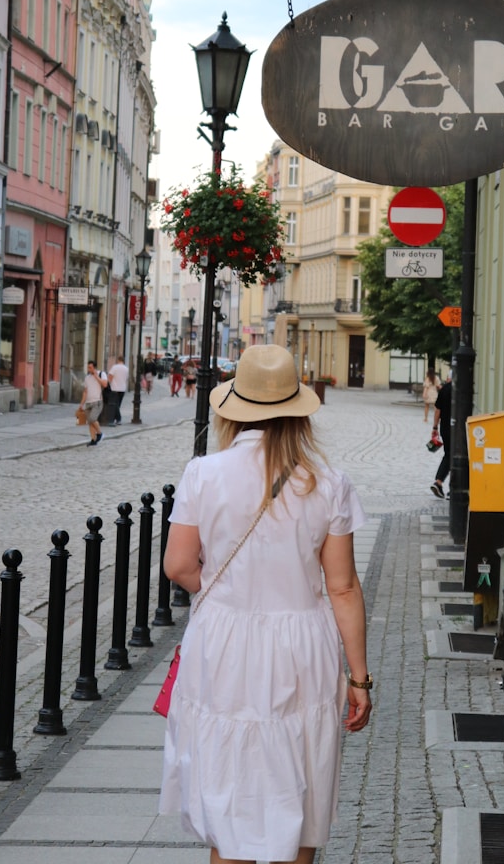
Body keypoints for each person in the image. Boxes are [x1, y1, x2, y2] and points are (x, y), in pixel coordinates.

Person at [159, 344, 372, 864]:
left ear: (234, 407)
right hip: (302, 646)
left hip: (224, 643)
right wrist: (359, 678)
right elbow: (342, 587)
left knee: (229, 803)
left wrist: (222, 595)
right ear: (298, 409)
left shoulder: (203, 474)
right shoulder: (327, 484)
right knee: (298, 790)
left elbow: (178, 566)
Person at [430, 374, 452, 497]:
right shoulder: (463, 389)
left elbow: (438, 409)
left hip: (445, 428)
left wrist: (435, 427)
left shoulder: (445, 389)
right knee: (455, 456)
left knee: (449, 454)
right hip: (459, 428)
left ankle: (439, 482)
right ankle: (451, 487)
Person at [79, 360, 106, 447]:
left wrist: (96, 376)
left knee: (92, 418)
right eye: (88, 367)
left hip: (97, 401)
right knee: (90, 422)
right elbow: (85, 392)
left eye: (90, 367)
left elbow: (105, 384)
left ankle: (100, 433)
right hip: (88, 402)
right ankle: (93, 440)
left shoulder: (101, 373)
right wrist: (82, 403)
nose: (89, 369)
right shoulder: (87, 377)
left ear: (94, 367)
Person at [108, 355, 129, 425]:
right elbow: (126, 378)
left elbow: (110, 377)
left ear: (118, 360)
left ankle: (118, 419)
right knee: (118, 404)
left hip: (115, 388)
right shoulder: (126, 368)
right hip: (122, 388)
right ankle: (116, 419)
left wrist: (109, 384)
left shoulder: (115, 367)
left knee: (115, 404)